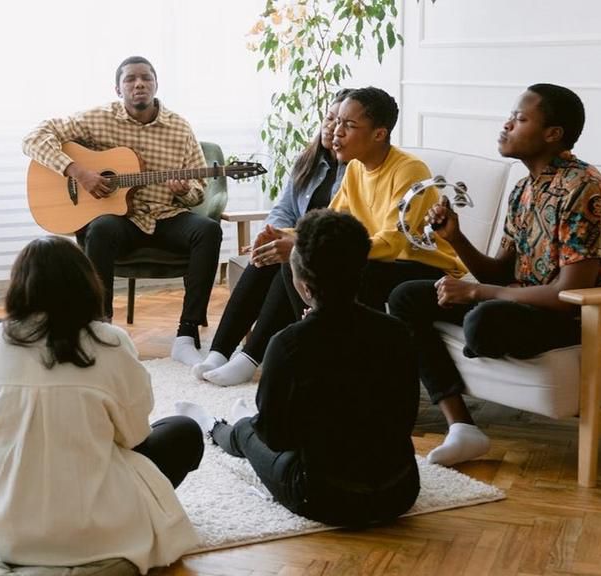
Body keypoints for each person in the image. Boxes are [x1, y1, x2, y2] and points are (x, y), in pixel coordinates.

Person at [388, 83, 601, 467]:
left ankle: (476, 335)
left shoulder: (584, 190)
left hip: (582, 318)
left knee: (484, 321)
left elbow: (569, 294)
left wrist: (475, 293)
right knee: (407, 296)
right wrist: (456, 237)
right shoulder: (523, 190)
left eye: (519, 119)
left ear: (553, 134)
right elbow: (500, 271)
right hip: (526, 304)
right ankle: (462, 427)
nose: (506, 125)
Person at [0, 236, 203, 572]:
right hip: (92, 530)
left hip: (5, 528)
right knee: (183, 430)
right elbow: (134, 435)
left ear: (19, 287)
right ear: (86, 283)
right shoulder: (110, 341)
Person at [199, 86, 467, 387]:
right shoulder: (356, 168)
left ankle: (266, 357)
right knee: (276, 255)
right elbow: (328, 222)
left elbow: (394, 243)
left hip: (421, 268)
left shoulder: (409, 170)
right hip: (379, 262)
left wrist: (300, 245)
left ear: (379, 134)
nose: (335, 132)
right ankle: (226, 354)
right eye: (335, 122)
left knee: (298, 258)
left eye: (348, 125)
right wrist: (280, 235)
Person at [176, 209, 421, 526]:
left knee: (253, 433)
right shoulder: (397, 332)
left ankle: (215, 426)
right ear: (362, 269)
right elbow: (404, 420)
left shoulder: (288, 344)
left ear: (303, 286)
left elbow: (276, 440)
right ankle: (240, 422)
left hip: (325, 496)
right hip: (399, 491)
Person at [22, 55, 222, 367]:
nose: (139, 83)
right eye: (130, 79)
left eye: (146, 78)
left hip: (166, 216)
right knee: (100, 228)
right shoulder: (98, 119)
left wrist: (186, 191)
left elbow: (198, 187)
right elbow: (33, 138)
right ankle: (100, 329)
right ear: (118, 89)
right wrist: (78, 172)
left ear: (156, 85)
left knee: (209, 230)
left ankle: (186, 334)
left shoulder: (180, 128)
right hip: (121, 221)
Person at [192, 89, 352, 385]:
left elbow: (341, 225)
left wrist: (290, 240)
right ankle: (220, 351)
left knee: (285, 259)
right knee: (264, 255)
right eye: (329, 118)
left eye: (341, 122)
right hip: (300, 244)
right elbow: (284, 208)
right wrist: (269, 233)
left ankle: (249, 357)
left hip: (325, 252)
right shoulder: (309, 162)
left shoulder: (355, 170)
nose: (332, 127)